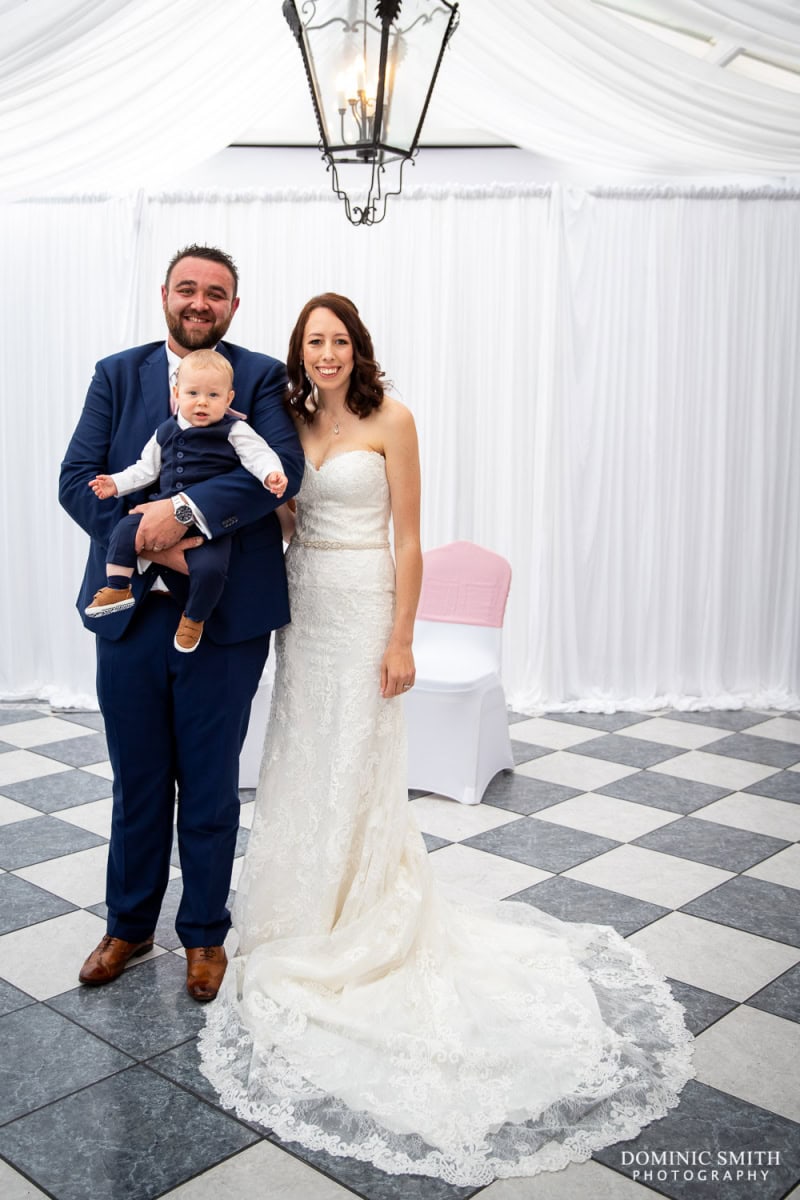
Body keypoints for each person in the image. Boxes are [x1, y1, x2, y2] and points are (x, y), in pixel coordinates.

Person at [198, 294, 693, 1185]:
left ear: (359, 347)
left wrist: (402, 638)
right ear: (297, 352)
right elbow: (276, 508)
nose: (325, 354)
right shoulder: (284, 417)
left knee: (359, 758)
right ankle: (299, 910)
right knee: (305, 756)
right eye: (313, 342)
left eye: (338, 340)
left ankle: (360, 909)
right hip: (301, 608)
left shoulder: (395, 418)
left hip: (364, 600)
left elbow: (412, 537)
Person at [59, 245, 304, 1001]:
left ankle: (204, 935)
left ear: (235, 305)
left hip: (224, 619)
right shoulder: (116, 373)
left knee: (208, 785)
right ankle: (128, 926)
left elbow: (276, 474)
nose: (201, 302)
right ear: (166, 293)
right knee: (138, 782)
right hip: (128, 617)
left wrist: (184, 517)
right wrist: (142, 534)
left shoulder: (258, 376)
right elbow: (78, 480)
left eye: (217, 293)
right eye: (189, 289)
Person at [85, 348, 288, 653]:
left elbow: (258, 455)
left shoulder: (234, 430)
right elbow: (144, 470)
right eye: (193, 393)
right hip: (158, 508)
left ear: (229, 399)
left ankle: (194, 617)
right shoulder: (165, 431)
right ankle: (117, 588)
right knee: (124, 532)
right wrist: (114, 484)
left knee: (211, 569)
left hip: (211, 526)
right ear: (177, 393)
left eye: (213, 395)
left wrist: (271, 473)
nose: (202, 402)